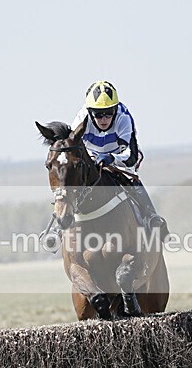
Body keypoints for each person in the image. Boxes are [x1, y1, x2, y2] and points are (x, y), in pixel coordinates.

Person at [46, 81, 169, 245]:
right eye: (98, 114)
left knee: (131, 178)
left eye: (109, 113)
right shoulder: (82, 117)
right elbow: (72, 147)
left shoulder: (124, 118)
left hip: (120, 155)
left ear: (115, 109)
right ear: (90, 112)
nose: (104, 119)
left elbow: (130, 156)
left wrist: (112, 158)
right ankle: (59, 225)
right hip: (90, 154)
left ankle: (151, 216)